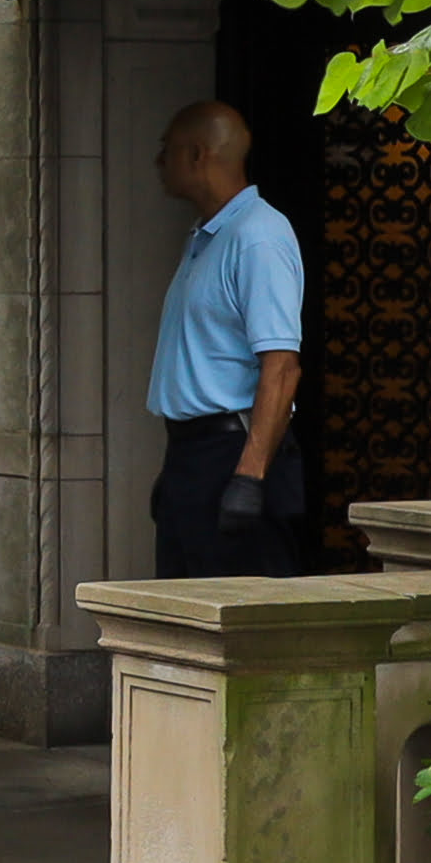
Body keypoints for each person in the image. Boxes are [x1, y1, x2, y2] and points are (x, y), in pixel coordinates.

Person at [148, 100, 305, 579]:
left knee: (239, 612)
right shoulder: (208, 235)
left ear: (198, 154)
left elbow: (282, 365)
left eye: (167, 149)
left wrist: (248, 478)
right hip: (194, 457)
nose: (158, 161)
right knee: (180, 609)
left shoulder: (258, 236)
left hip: (232, 454)